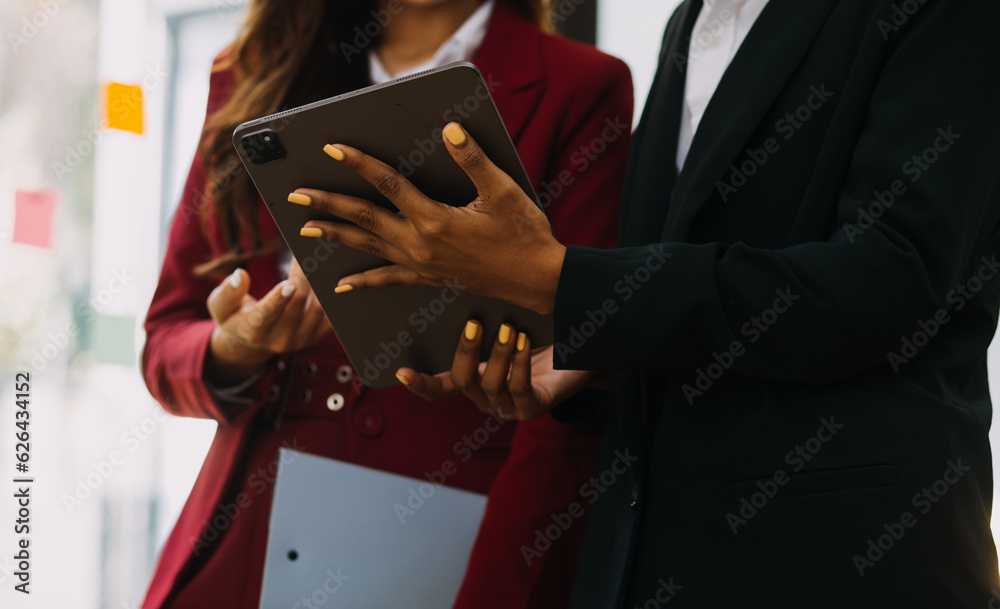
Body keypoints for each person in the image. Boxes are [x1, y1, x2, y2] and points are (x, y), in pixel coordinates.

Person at [291, 0, 1000, 606]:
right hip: (650, 559)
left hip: (837, 562)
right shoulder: (688, 23)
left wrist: (559, 280)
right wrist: (587, 367)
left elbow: (890, 279)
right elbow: (698, 305)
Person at [139, 1, 633, 607]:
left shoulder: (580, 85)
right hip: (244, 526)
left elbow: (571, 387)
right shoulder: (252, 72)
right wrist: (232, 349)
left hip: (436, 535)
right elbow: (166, 340)